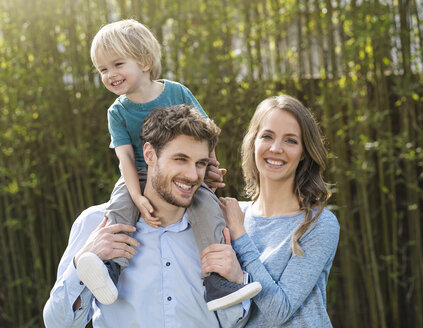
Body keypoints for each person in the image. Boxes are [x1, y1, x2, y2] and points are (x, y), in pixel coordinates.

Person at [78, 18, 260, 310]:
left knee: (208, 207)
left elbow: (205, 133)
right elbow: (124, 157)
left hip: (180, 173)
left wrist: (208, 167)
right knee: (119, 206)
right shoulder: (117, 112)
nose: (110, 74)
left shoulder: (177, 93)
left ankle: (216, 279)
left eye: (117, 64)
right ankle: (109, 268)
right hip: (138, 173)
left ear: (145, 61)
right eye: (102, 69)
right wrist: (136, 194)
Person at [43, 105, 260, 327]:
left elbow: (235, 323)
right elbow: (58, 324)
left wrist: (236, 278)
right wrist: (83, 261)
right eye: (180, 159)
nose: (193, 175)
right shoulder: (95, 223)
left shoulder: (223, 227)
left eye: (200, 163)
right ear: (149, 155)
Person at [201, 95, 340, 327]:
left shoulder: (319, 224)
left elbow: (279, 311)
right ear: (253, 142)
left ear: (304, 152)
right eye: (267, 136)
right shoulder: (234, 214)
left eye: (291, 141)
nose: (276, 149)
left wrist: (240, 238)